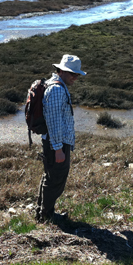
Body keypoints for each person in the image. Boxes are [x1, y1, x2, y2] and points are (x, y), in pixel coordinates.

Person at [36, 54, 87, 223]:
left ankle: (44, 213)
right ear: (62, 71)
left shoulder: (57, 85)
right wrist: (58, 149)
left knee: (50, 177)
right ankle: (46, 217)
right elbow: (54, 122)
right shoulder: (57, 90)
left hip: (55, 142)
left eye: (77, 74)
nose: (75, 77)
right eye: (73, 73)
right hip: (56, 144)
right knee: (55, 180)